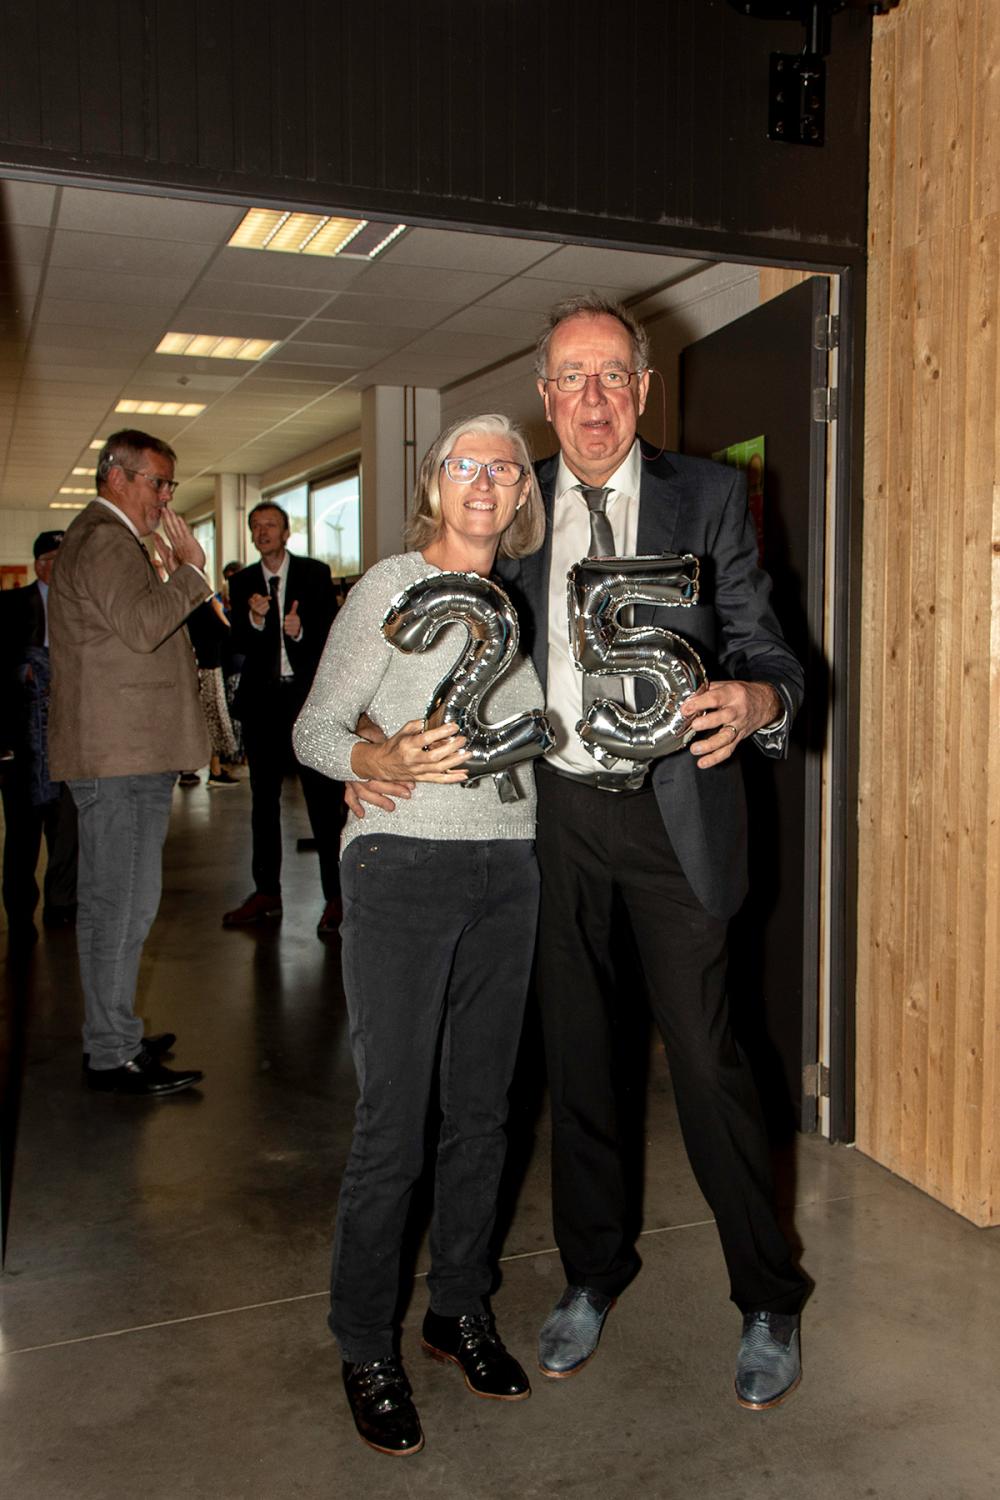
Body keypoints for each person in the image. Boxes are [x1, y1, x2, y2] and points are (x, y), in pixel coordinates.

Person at [346, 295, 809, 1411]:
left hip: (674, 815)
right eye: (570, 378)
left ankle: (768, 1293)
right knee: (580, 1060)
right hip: (550, 819)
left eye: (612, 376)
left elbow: (765, 643)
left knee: (707, 1060)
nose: (592, 399)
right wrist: (368, 747)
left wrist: (759, 698)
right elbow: (420, 644)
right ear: (543, 397)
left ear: (643, 389)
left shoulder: (708, 496)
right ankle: (593, 1274)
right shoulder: (515, 509)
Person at [293, 413, 547, 1457]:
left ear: (522, 493)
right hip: (400, 872)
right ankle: (365, 1342)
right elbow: (315, 726)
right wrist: (376, 761)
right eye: (464, 464)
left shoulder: (520, 606)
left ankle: (457, 1309)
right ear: (435, 483)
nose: (483, 480)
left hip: (508, 873)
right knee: (394, 1123)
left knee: (482, 1113)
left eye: (503, 467)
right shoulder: (390, 587)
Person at [48, 429, 210, 1096]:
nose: (165, 496)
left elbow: (131, 630)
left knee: (112, 905)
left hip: (119, 753)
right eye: (158, 482)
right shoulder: (106, 539)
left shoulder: (103, 538)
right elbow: (145, 628)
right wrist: (192, 570)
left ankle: (110, 1033)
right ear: (117, 476)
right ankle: (112, 1053)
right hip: (119, 757)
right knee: (122, 907)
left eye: (169, 485)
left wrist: (168, 574)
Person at [222, 504, 342, 935]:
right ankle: (266, 892)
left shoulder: (314, 573)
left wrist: (300, 632)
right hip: (263, 704)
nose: (262, 532)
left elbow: (333, 636)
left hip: (305, 702)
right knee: (263, 801)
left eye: (270, 525)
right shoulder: (242, 582)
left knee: (322, 801)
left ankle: (336, 896)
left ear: (286, 532)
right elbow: (235, 644)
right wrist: (255, 620)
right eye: (256, 527)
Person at [0, 530, 78, 945]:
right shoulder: (10, 604)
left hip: (68, 735)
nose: (59, 567)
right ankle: (19, 913)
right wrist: (22, 674)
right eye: (52, 559)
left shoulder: (82, 605)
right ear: (39, 565)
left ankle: (62, 902)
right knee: (22, 833)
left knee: (67, 829)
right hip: (23, 743)